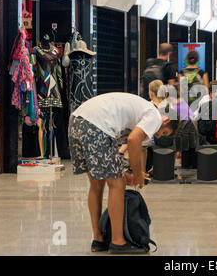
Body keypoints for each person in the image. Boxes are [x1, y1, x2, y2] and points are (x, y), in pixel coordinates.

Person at [68, 93, 178, 254]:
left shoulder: (139, 110)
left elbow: (121, 146)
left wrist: (126, 170)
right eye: (164, 133)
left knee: (96, 184)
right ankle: (118, 242)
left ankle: (98, 239)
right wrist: (139, 174)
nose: (159, 136)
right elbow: (134, 141)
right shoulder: (154, 115)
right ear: (166, 120)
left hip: (76, 121)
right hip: (96, 125)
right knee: (117, 184)